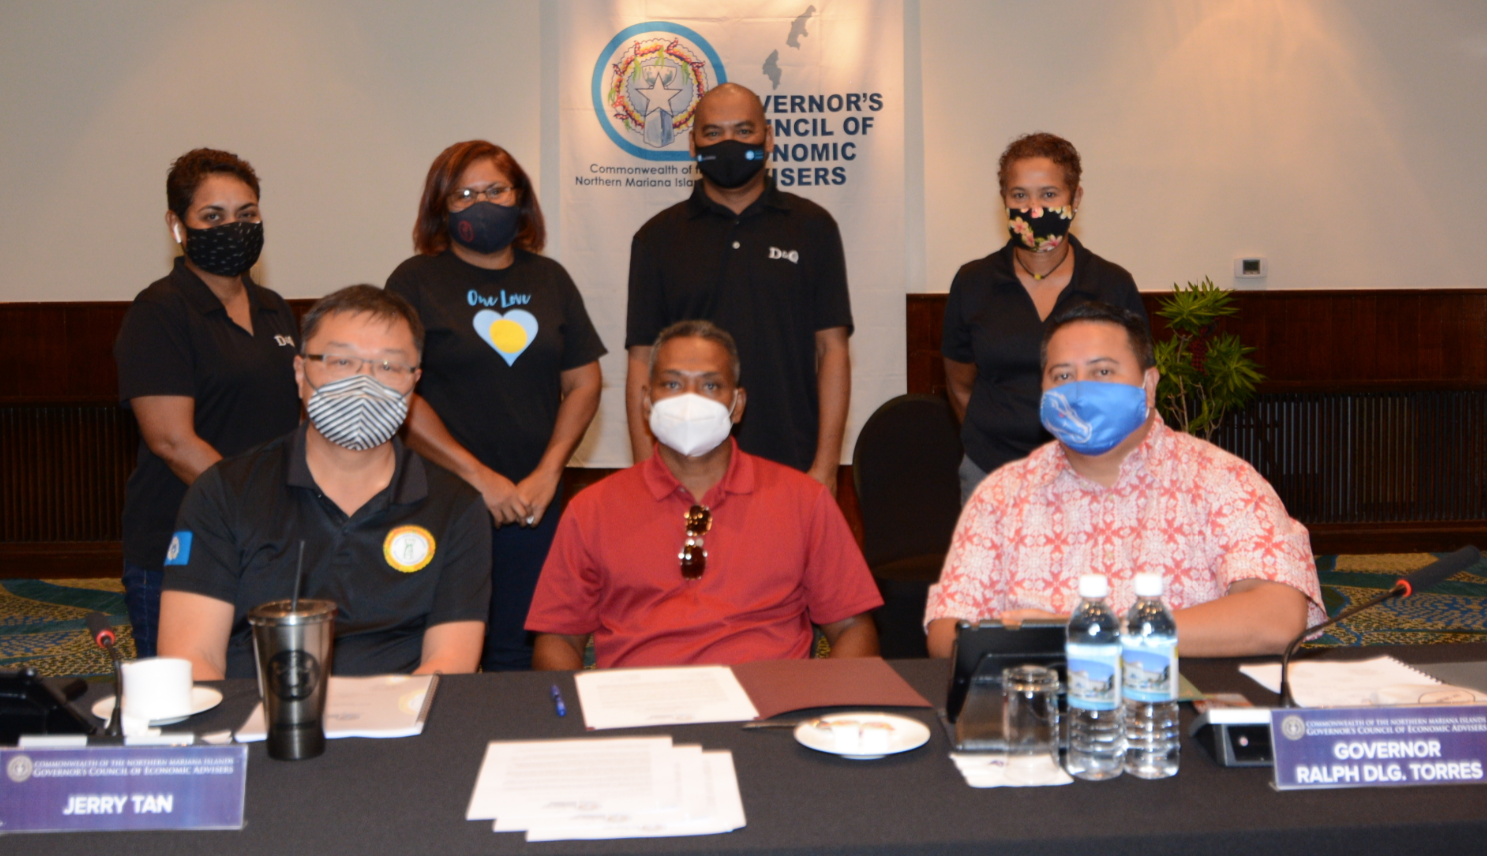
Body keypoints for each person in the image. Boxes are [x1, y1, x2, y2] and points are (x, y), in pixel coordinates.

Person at [925, 302, 1325, 660]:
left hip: (1174, 715)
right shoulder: (1002, 494)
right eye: (1062, 375)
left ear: (1148, 385)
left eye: (1102, 371)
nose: (1080, 392)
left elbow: (1276, 618)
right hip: (1040, 715)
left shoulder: (1221, 480)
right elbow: (946, 631)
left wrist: (1093, 635)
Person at [157, 286, 491, 680]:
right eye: (341, 361)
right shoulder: (224, 492)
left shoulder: (456, 506)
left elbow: (449, 664)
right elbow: (193, 658)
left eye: (388, 366)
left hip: (399, 721)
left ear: (414, 383)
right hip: (259, 720)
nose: (364, 383)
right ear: (300, 373)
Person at [527, 320, 881, 669]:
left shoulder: (805, 501)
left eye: (710, 385)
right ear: (647, 401)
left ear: (738, 404)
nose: (690, 401)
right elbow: (557, 638)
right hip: (639, 709)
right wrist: (576, 714)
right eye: (672, 383)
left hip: (769, 709)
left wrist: (822, 710)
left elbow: (852, 628)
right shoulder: (591, 510)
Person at [386, 141, 605, 671]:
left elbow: (584, 382)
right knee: (436, 653)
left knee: (520, 653)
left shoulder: (548, 279)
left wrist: (549, 474)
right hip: (439, 501)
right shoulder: (414, 280)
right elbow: (398, 392)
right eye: (463, 194)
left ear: (520, 199)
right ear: (441, 207)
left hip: (532, 504)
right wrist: (480, 478)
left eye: (494, 190)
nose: (481, 203)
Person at [113, 148, 301, 657]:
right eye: (212, 216)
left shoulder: (274, 308)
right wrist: (260, 509)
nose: (233, 228)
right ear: (178, 225)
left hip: (269, 543)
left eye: (247, 215)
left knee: (268, 692)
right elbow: (173, 442)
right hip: (184, 543)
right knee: (182, 708)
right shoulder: (159, 312)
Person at [625, 82, 852, 491]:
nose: (729, 143)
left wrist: (827, 466)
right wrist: (647, 473)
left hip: (792, 462)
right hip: (684, 466)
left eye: (743, 131)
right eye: (713, 133)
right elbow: (641, 360)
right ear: (693, 145)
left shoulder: (814, 228)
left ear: (769, 140)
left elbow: (832, 351)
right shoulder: (656, 238)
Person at [942, 132, 1147, 505]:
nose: (1033, 208)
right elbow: (959, 385)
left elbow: (1136, 389)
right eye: (1020, 195)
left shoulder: (1112, 285)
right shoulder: (973, 283)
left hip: (1093, 475)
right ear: (1004, 199)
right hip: (992, 474)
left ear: (1076, 198)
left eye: (1049, 194)